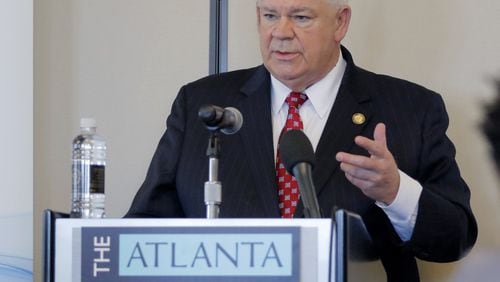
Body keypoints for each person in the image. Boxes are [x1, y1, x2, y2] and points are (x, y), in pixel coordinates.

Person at [126, 0, 477, 280]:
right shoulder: (201, 105)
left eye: (301, 17)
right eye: (269, 15)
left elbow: (456, 238)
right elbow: (140, 236)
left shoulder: (411, 110)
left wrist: (395, 192)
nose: (281, 32)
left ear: (340, 22)